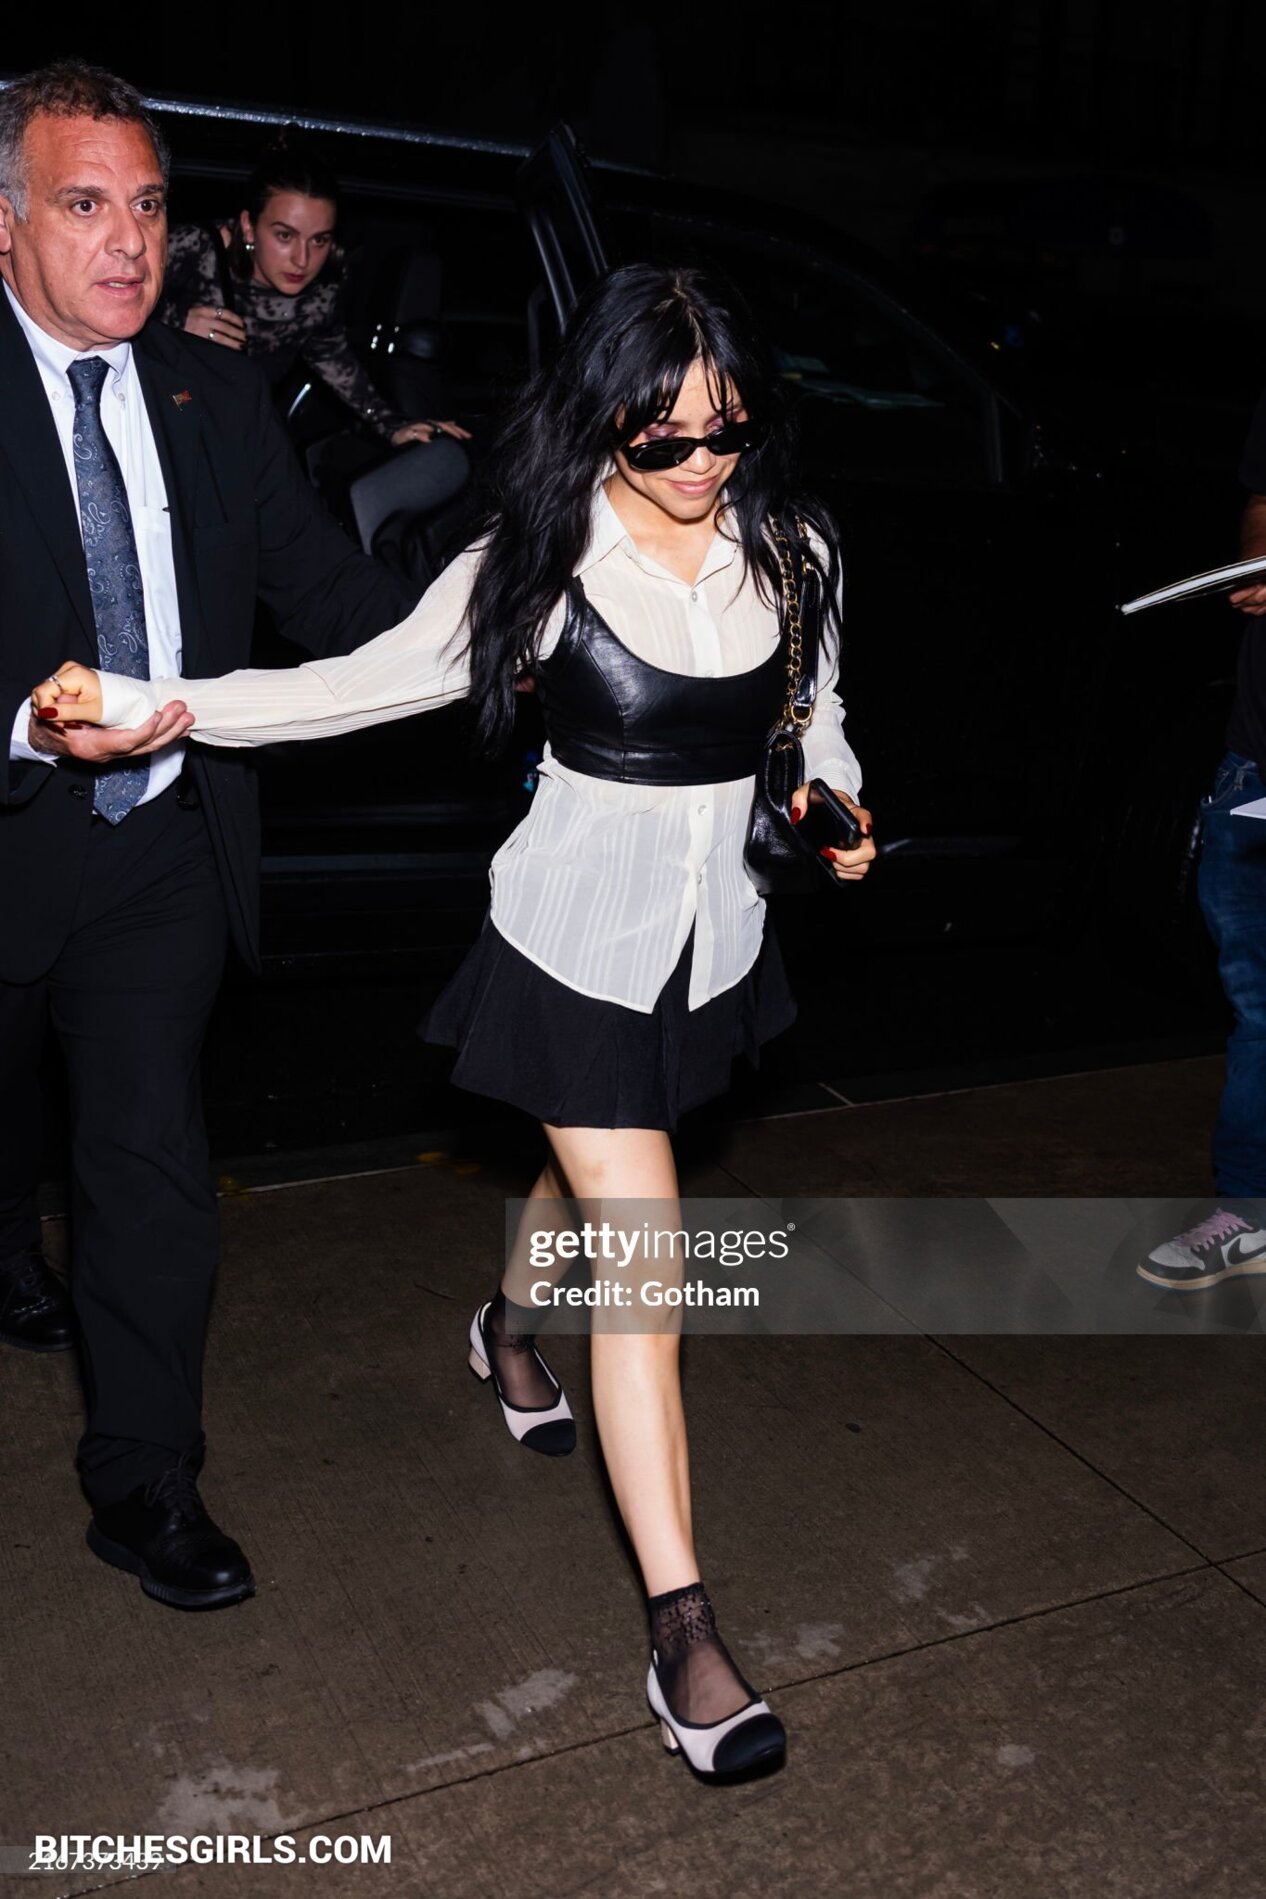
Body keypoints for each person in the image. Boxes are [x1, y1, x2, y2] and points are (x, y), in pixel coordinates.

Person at [36, 261, 875, 1782]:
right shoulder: (538, 561)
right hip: (571, 943)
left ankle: (504, 1325)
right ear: (604, 417)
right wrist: (163, 703)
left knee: (595, 1175)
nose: (701, 461)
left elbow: (812, 720)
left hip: (711, 943)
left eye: (729, 429)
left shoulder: (795, 549)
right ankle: (684, 1635)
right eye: (664, 434)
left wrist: (839, 805)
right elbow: (353, 686)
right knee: (648, 1255)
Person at [0, 59, 417, 1608]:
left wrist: (496, 613)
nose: (131, 240)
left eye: (151, 205)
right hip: (7, 831)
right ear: (3, 222)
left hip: (160, 848)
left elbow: (332, 597)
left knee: (147, 1164)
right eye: (84, 204)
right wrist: (24, 724)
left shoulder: (213, 392)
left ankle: (146, 1476)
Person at [157, 124, 471, 533]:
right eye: (284, 235)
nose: (302, 259)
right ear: (249, 226)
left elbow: (336, 362)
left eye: (319, 240)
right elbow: (94, 306)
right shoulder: (196, 248)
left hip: (233, 441)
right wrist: (174, 323)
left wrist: (393, 425)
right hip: (162, 423)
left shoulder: (319, 295)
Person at [1137, 403, 1266, 1291]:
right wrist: (1260, 556)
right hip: (1256, 763)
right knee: (1259, 1007)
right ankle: (1250, 1212)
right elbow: (1261, 498)